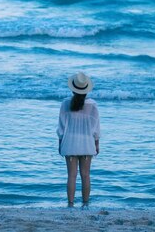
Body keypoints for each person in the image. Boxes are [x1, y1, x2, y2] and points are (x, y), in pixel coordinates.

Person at [56, 72, 100, 208]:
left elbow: (61, 128)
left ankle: (70, 204)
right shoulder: (92, 105)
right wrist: (97, 144)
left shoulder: (65, 104)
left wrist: (60, 144)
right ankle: (85, 204)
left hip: (69, 144)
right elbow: (96, 129)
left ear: (72, 88)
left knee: (71, 176)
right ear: (86, 89)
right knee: (86, 175)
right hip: (87, 145)